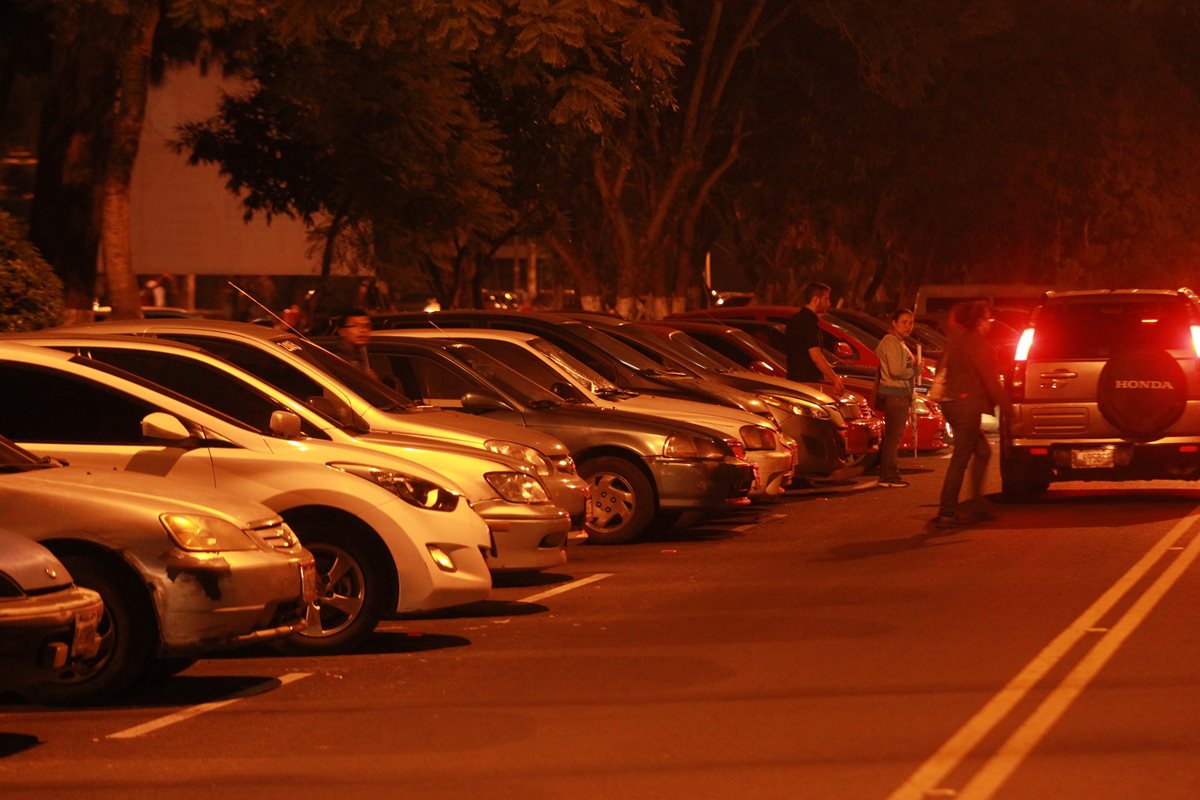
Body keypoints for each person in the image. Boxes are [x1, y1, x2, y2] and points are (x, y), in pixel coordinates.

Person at [932, 300, 1009, 528]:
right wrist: (1010, 412)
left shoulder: (956, 341)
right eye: (988, 318)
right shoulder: (976, 343)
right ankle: (947, 512)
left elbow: (942, 369)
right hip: (965, 405)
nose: (990, 323)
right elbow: (991, 380)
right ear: (979, 321)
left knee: (982, 451)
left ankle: (977, 504)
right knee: (960, 459)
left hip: (952, 403)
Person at [874, 308, 919, 488]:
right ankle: (890, 476)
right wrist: (915, 370)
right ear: (894, 322)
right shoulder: (891, 342)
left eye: (911, 322)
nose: (908, 326)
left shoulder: (897, 341)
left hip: (897, 394)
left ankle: (887, 475)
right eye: (904, 322)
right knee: (893, 437)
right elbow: (896, 370)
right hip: (896, 394)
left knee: (892, 437)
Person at [785, 282, 844, 396]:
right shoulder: (810, 324)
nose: (829, 303)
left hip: (793, 380)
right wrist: (835, 379)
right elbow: (816, 357)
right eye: (826, 299)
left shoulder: (793, 320)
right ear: (816, 300)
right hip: (808, 383)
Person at [335, 308, 377, 378]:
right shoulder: (338, 360)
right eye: (355, 325)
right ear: (342, 331)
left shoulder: (364, 356)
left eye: (366, 326)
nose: (362, 330)